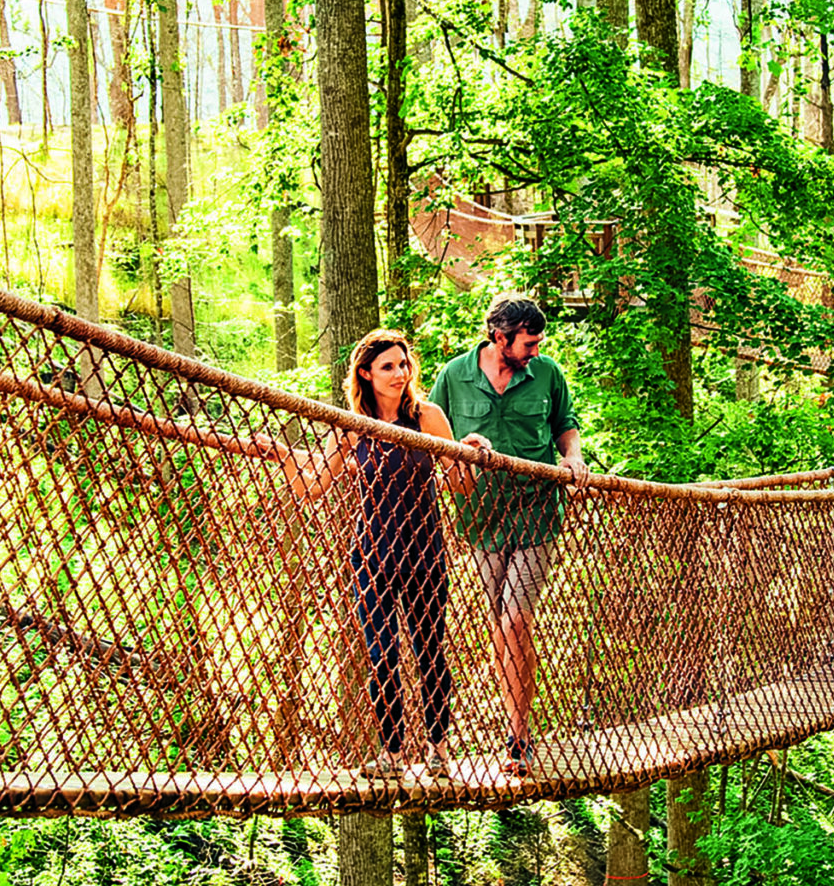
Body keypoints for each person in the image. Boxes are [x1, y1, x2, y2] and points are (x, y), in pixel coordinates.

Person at [248, 331, 486, 777]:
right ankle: (392, 754)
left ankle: (438, 748)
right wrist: (283, 457)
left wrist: (468, 455)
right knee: (382, 655)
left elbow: (459, 486)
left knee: (430, 648)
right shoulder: (352, 427)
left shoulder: (427, 417)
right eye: (388, 367)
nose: (400, 374)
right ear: (365, 374)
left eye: (403, 364)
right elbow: (312, 487)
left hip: (424, 550)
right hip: (373, 552)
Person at [428, 293, 588, 773]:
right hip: (479, 516)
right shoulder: (454, 375)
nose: (536, 350)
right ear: (500, 338)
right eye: (529, 342)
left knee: (516, 618)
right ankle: (511, 720)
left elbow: (566, 426)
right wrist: (459, 447)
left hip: (537, 508)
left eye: (538, 343)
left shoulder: (548, 374)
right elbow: (433, 433)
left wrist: (573, 456)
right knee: (498, 623)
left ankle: (519, 736)